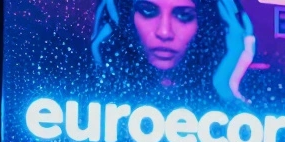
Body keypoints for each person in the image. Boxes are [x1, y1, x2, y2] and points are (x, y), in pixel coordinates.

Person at [89, 0, 255, 102]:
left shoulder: (254, 89)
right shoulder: (88, 93)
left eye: (183, 15)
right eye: (148, 11)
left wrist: (226, 89)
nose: (164, 32)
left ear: (206, 24)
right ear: (123, 18)